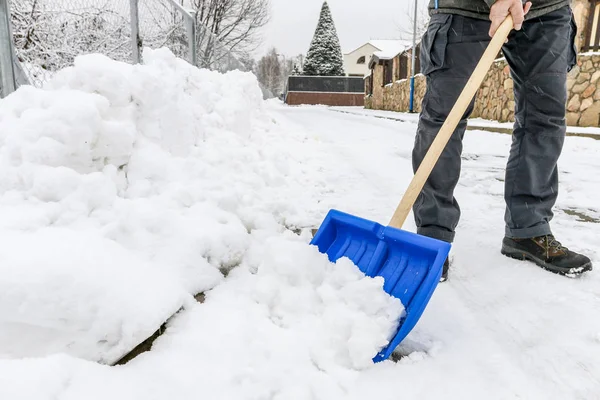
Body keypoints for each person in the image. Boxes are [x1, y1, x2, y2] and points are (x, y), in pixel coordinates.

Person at [413, 0, 593, 281]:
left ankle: (528, 230)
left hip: (546, 8)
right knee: (445, 119)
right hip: (463, 8)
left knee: (543, 118)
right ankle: (432, 236)